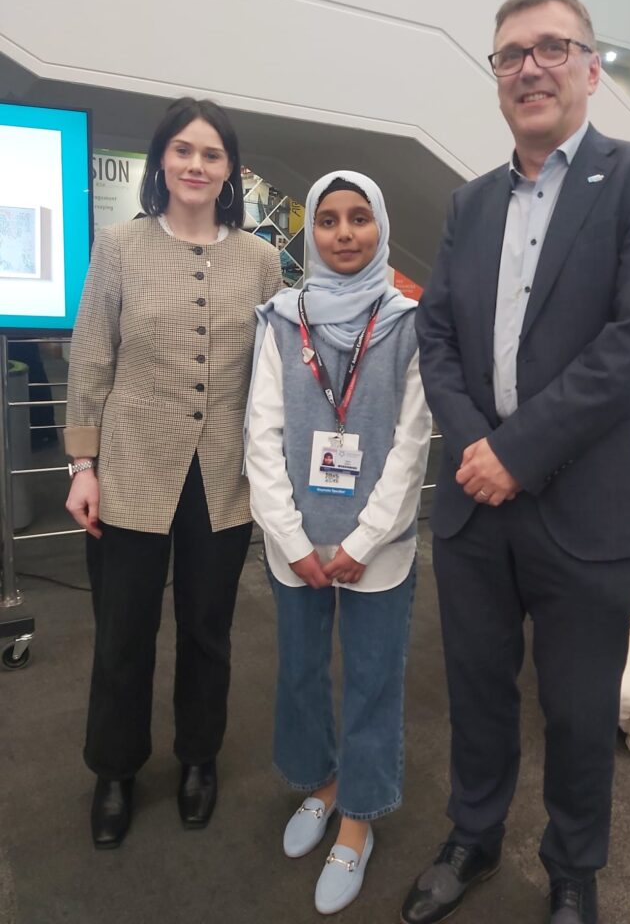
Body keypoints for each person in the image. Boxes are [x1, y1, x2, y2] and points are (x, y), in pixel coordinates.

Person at [400, 0, 630, 924]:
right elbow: (435, 337)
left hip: (587, 503)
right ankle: (473, 839)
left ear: (591, 68)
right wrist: (479, 449)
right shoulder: (468, 204)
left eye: (551, 48)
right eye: (511, 54)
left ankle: (573, 869)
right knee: (479, 695)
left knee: (575, 712)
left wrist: (515, 452)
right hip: (478, 504)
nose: (530, 67)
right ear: (495, 80)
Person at [64, 97, 282, 849]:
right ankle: (115, 768)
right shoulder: (121, 246)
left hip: (223, 473)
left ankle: (199, 758)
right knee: (123, 630)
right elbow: (92, 355)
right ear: (163, 160)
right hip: (129, 466)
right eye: (184, 150)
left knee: (208, 630)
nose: (196, 164)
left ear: (230, 171)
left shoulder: (259, 259)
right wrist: (82, 464)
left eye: (212, 154)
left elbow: (274, 371)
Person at [245, 170, 431, 915]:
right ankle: (322, 781)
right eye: (329, 220)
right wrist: (290, 538)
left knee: (372, 681)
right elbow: (262, 433)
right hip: (295, 545)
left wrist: (362, 539)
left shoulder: (409, 319)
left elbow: (414, 441)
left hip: (376, 549)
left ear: (380, 227)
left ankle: (359, 817)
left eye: (359, 218)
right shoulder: (282, 318)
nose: (345, 233)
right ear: (311, 231)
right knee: (299, 675)